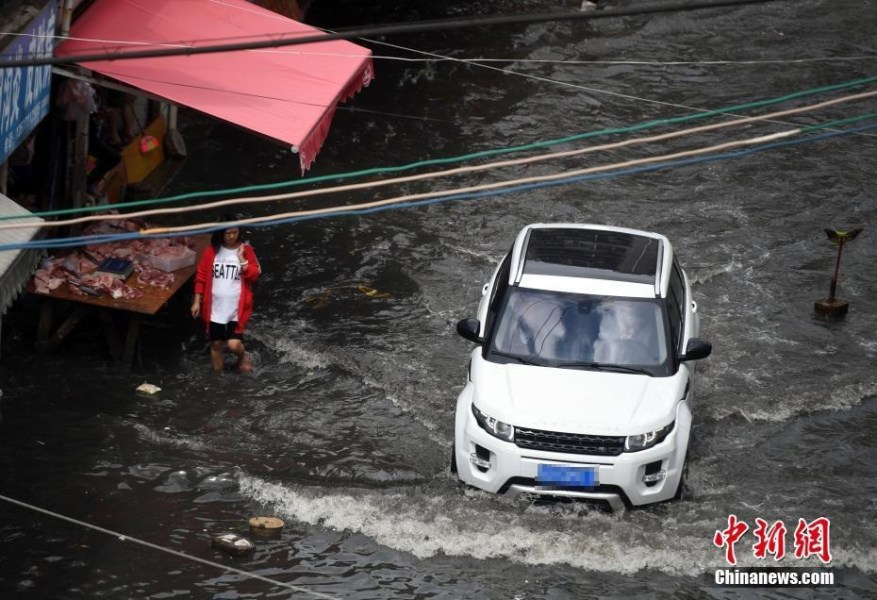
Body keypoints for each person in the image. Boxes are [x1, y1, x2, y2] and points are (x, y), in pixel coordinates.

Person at [191, 216, 261, 372]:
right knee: (216, 344)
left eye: (234, 232)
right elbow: (201, 277)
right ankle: (218, 378)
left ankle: (242, 358)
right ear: (221, 233)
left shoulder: (246, 250)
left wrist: (242, 260)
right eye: (227, 233)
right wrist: (197, 300)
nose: (231, 236)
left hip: (236, 308)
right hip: (215, 308)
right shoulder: (211, 251)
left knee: (233, 344)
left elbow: (254, 275)